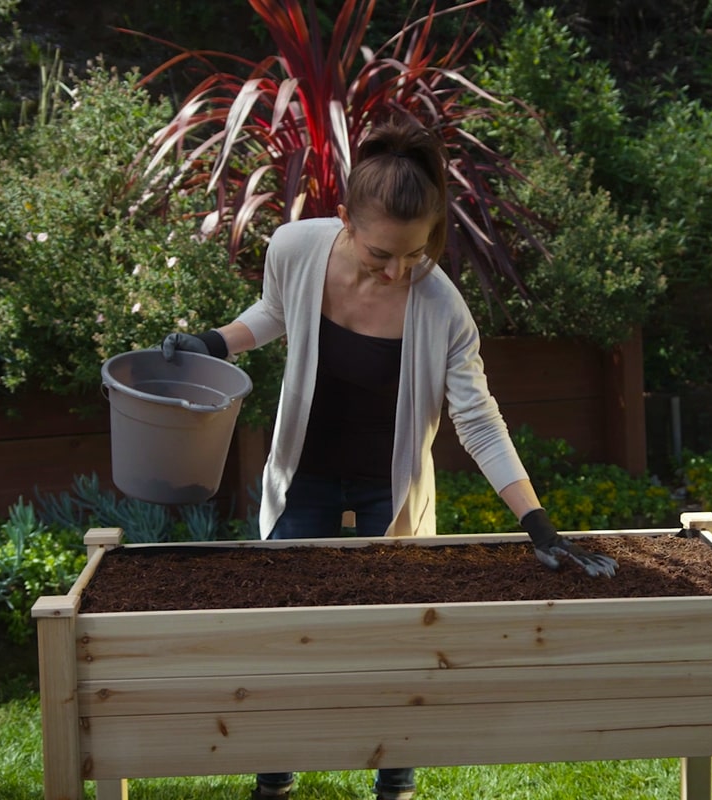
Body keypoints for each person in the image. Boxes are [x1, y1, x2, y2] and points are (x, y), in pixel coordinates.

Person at [162, 116, 617, 800]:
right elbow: (272, 312)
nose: (400, 270)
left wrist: (537, 522)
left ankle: (396, 779)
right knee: (288, 623)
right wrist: (212, 342)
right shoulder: (295, 247)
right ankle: (275, 771)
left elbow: (479, 421)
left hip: (389, 487)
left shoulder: (443, 309)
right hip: (305, 474)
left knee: (401, 629)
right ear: (343, 219)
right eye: (382, 255)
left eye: (418, 253)